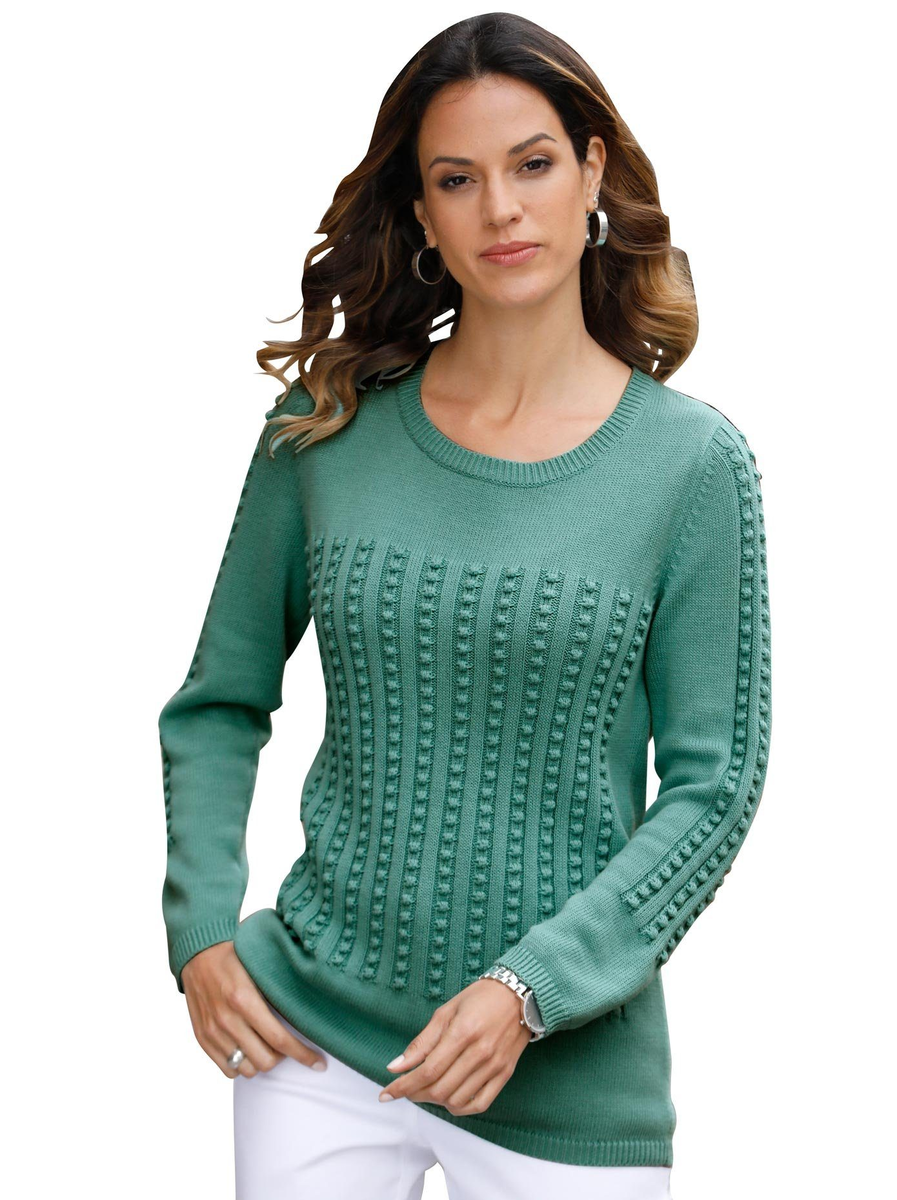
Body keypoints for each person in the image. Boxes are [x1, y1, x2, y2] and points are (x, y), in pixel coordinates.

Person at [158, 12, 771, 1199]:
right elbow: (219, 702)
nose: (501, 209)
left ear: (592, 171)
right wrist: (201, 932)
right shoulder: (324, 433)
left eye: (532, 164)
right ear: (423, 214)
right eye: (457, 178)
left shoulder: (693, 466)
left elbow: (715, 784)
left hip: (566, 1078)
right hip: (309, 1047)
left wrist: (531, 990)